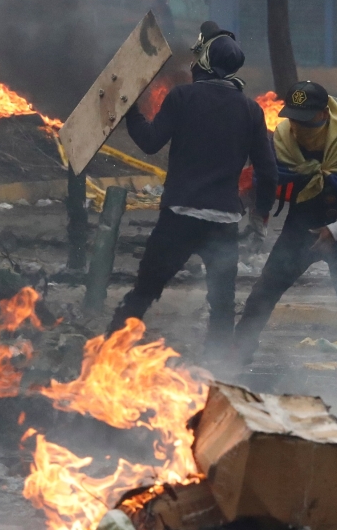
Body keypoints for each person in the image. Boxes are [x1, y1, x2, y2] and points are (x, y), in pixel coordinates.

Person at [106, 21, 278, 349]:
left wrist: (131, 111)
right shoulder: (251, 110)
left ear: (206, 63)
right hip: (223, 222)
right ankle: (219, 373)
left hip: (179, 217)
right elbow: (268, 173)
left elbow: (150, 142)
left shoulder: (182, 97)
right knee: (222, 307)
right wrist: (260, 217)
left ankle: (107, 352)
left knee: (144, 292)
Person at [234, 81, 337, 367]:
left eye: (305, 121)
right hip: (303, 224)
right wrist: (254, 217)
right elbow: (265, 179)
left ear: (324, 114)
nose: (298, 128)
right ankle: (238, 354)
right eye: (293, 120)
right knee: (266, 288)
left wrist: (335, 230)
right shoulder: (283, 139)